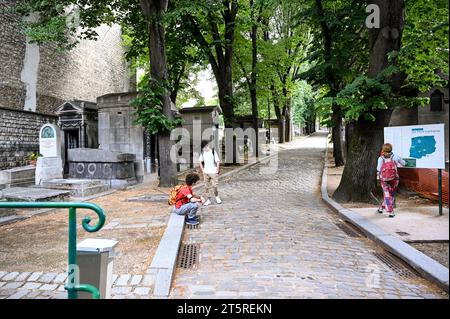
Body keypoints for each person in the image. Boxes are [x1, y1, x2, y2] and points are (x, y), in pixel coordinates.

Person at [376, 143, 405, 218]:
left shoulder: (381, 159)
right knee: (391, 194)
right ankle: (381, 208)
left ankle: (390, 211)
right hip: (395, 179)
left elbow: (378, 169)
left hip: (384, 179)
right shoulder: (396, 157)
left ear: (383, 150)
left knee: (387, 194)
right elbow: (404, 163)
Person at [199, 140, 222, 206]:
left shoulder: (213, 152)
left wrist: (217, 169)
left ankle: (217, 196)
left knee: (215, 186)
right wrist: (203, 170)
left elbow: (217, 161)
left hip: (213, 172)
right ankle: (208, 199)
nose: (205, 148)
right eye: (203, 147)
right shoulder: (203, 153)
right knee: (206, 187)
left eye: (206, 146)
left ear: (208, 145)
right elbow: (200, 161)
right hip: (206, 172)